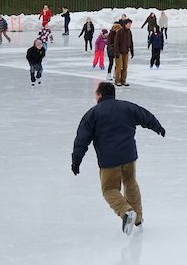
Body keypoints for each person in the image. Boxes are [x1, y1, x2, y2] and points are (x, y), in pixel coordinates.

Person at [71, 81, 165, 234]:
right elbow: (145, 115)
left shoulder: (93, 113)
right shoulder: (127, 107)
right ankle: (138, 219)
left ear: (100, 95)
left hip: (109, 161)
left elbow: (82, 138)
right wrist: (158, 127)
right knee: (130, 184)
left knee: (109, 189)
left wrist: (76, 160)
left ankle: (126, 212)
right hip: (129, 156)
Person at [113, 19, 134, 87]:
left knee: (125, 67)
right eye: (129, 24)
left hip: (126, 52)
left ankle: (123, 80)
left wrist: (132, 51)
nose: (130, 25)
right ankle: (117, 80)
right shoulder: (120, 32)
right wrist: (116, 53)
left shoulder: (129, 32)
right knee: (119, 66)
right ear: (125, 24)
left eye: (130, 24)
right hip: (119, 52)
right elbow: (116, 43)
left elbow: (131, 42)